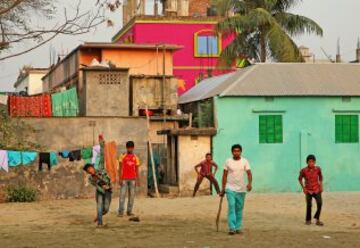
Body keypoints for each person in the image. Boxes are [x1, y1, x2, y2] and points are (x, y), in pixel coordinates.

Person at [220, 144, 252, 235]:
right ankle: (232, 228)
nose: (236, 152)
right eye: (234, 151)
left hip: (241, 189)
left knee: (239, 209)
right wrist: (223, 189)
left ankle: (238, 227)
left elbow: (249, 173)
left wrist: (249, 184)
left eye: (238, 151)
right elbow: (224, 175)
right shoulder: (228, 161)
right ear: (232, 152)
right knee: (231, 206)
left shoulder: (245, 161)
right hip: (230, 188)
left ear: (241, 152)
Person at [83, 163, 112, 227]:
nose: (90, 171)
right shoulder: (90, 178)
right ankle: (100, 223)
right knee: (99, 206)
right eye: (88, 171)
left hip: (108, 191)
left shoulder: (102, 170)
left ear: (92, 167)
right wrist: (102, 188)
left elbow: (108, 180)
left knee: (106, 209)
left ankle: (99, 216)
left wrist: (97, 176)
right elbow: (97, 186)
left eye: (90, 168)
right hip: (99, 192)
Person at [298, 154, 324, 226]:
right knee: (309, 205)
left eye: (312, 162)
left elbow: (321, 177)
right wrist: (303, 188)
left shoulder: (318, 169)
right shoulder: (304, 170)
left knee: (320, 203)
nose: (311, 163)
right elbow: (300, 179)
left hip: (317, 189)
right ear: (307, 162)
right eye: (309, 162)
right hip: (308, 190)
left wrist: (321, 186)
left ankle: (317, 219)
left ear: (315, 162)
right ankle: (308, 220)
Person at [118, 141, 141, 217]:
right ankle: (121, 212)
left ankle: (129, 211)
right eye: (128, 148)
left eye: (131, 148)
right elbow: (120, 168)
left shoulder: (136, 157)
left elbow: (137, 170)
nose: (130, 149)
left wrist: (138, 180)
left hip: (133, 179)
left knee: (131, 197)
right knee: (122, 196)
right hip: (124, 179)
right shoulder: (122, 156)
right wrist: (120, 179)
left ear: (133, 148)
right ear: (126, 148)